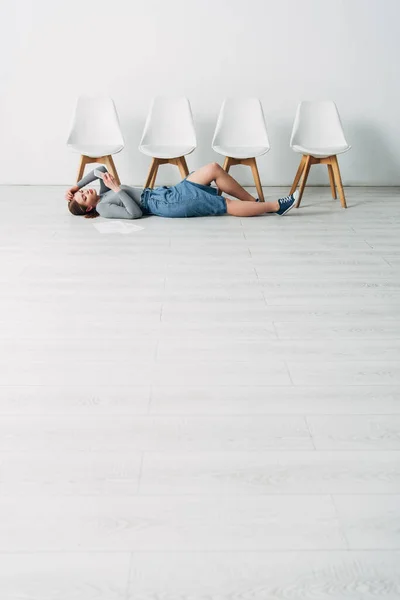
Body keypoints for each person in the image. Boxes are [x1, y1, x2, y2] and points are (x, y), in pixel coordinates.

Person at [66, 162, 299, 219]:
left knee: (213, 169)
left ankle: (255, 202)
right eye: (83, 196)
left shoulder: (103, 190)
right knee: (222, 205)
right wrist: (118, 189)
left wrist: (76, 186)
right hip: (163, 205)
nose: (86, 193)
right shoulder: (105, 207)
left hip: (165, 193)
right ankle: (275, 207)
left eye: (84, 191)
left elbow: (100, 168)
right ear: (88, 207)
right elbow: (135, 214)